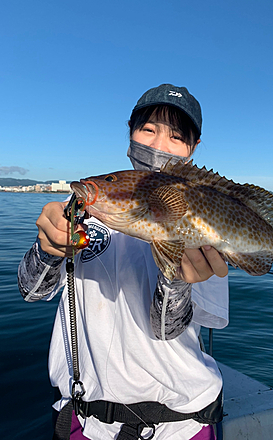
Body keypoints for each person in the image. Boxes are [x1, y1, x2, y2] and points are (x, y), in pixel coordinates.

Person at [18, 84, 229, 440]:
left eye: (176, 137)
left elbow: (167, 329)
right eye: (148, 129)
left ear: (191, 151)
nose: (159, 146)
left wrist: (177, 279)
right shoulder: (86, 209)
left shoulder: (203, 226)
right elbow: (32, 291)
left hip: (181, 423)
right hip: (86, 421)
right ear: (130, 133)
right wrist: (48, 250)